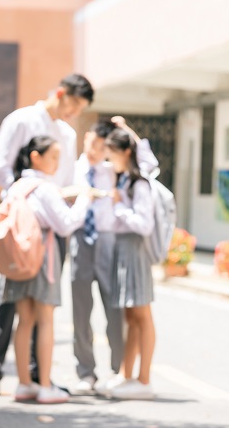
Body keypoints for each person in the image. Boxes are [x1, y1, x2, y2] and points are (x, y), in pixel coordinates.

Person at [0, 73, 94, 397]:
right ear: (61, 93)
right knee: (9, 301)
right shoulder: (21, 120)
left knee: (41, 306)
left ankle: (40, 377)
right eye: (75, 104)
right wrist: (29, 196)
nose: (74, 113)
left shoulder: (66, 133)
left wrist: (58, 197)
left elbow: (62, 180)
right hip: (21, 224)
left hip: (52, 228)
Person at [70, 117, 159, 396]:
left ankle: (122, 371)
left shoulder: (118, 172)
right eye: (93, 144)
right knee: (82, 312)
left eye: (104, 146)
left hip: (113, 241)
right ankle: (87, 373)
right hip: (81, 240)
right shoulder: (74, 170)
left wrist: (127, 129)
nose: (98, 151)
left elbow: (148, 163)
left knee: (120, 312)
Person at [3, 136, 93, 404]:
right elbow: (66, 224)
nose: (57, 163)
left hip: (18, 256)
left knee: (24, 320)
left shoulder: (17, 187)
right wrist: (84, 199)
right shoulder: (45, 188)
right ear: (36, 156)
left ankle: (23, 384)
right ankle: (44, 385)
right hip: (43, 255)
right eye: (53, 157)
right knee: (45, 320)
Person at [103, 128, 158, 400]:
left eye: (111, 152)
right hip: (125, 249)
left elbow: (144, 224)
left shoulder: (139, 183)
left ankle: (144, 380)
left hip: (135, 250)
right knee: (131, 317)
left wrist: (119, 207)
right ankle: (127, 376)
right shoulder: (126, 180)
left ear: (125, 152)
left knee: (142, 315)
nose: (108, 157)